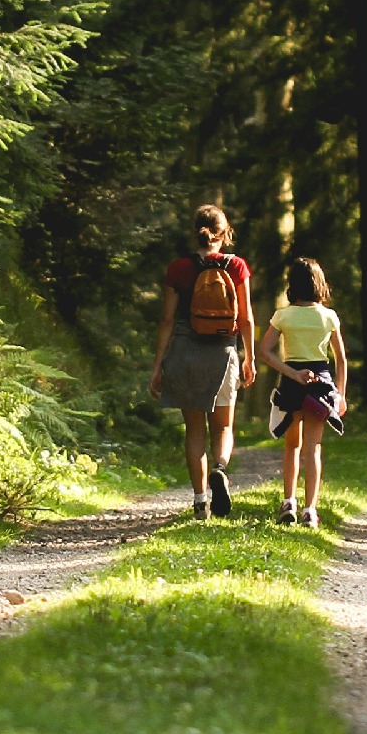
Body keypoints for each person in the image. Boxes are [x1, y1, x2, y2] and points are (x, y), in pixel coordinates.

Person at [149, 204, 257, 519]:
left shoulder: (179, 268)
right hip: (223, 351)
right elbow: (246, 317)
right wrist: (249, 357)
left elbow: (167, 320)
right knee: (223, 426)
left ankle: (200, 503)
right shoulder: (236, 266)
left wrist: (158, 365)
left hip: (184, 352)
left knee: (194, 428)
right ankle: (220, 469)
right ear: (225, 233)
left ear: (196, 231)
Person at [260, 257, 346, 528]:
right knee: (313, 449)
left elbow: (264, 352)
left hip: (291, 382)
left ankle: (289, 502)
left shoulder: (283, 316)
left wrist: (291, 373)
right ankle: (310, 509)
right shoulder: (328, 316)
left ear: (291, 285)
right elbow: (341, 359)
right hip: (321, 383)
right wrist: (341, 395)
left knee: (291, 446)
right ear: (319, 284)